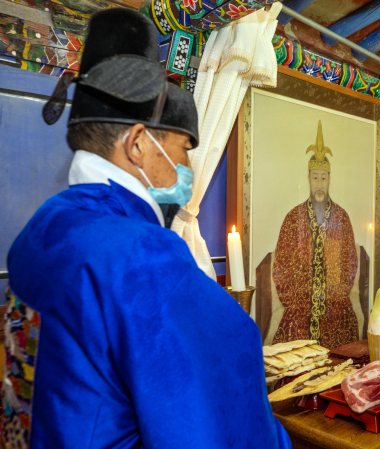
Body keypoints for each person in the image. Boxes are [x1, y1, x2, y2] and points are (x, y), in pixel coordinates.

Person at [3, 9, 290, 449]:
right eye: (183, 149)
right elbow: (220, 419)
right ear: (138, 144)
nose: (188, 167)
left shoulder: (40, 230)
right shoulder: (141, 257)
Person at [271, 121, 360, 349]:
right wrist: (299, 301)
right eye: (315, 177)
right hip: (299, 309)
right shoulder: (293, 218)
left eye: (323, 178)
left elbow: (350, 262)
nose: (319, 184)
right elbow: (281, 264)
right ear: (308, 179)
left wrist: (333, 296)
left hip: (335, 308)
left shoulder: (341, 217)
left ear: (329, 180)